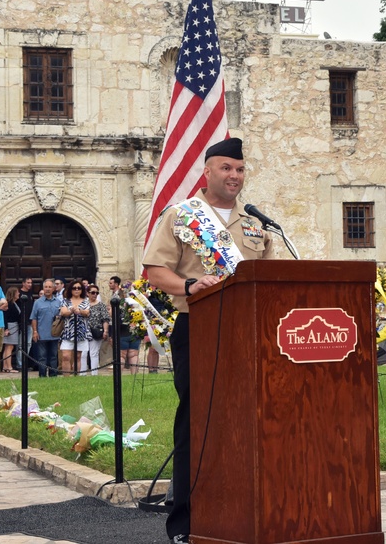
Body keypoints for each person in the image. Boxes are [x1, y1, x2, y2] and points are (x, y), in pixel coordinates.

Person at [143, 137, 273, 544]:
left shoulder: (256, 223)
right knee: (198, 423)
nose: (233, 176)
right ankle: (186, 522)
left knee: (251, 422)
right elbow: (153, 271)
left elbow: (269, 278)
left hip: (250, 333)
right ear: (208, 170)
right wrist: (189, 284)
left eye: (239, 169)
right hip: (198, 329)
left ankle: (243, 512)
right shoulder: (182, 216)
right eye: (225, 168)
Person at [30, 278, 62, 377]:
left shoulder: (58, 302)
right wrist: (35, 331)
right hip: (42, 334)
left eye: (49, 287)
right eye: (45, 287)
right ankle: (42, 375)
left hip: (54, 334)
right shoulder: (37, 302)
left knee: (53, 356)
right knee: (42, 357)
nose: (47, 289)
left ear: (53, 289)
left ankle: (53, 375)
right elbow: (34, 318)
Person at [59, 281, 91, 375]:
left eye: (79, 288)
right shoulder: (65, 301)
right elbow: (63, 312)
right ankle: (66, 377)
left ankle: (76, 376)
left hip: (81, 331)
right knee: (66, 356)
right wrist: (72, 311)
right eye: (74, 288)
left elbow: (87, 312)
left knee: (78, 356)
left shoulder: (86, 300)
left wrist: (79, 311)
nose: (76, 290)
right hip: (69, 331)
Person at [110, 276, 140, 373]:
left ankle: (119, 376)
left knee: (121, 354)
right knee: (134, 354)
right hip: (135, 327)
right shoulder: (138, 299)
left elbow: (112, 313)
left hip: (122, 329)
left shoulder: (117, 298)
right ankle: (134, 375)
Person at [86, 284, 111, 375]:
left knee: (94, 352)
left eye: (96, 293)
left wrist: (105, 331)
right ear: (87, 293)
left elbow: (105, 319)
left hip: (96, 331)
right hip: (84, 331)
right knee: (84, 353)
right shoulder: (84, 304)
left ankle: (94, 373)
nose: (95, 294)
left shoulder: (101, 305)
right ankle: (82, 373)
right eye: (92, 293)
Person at [1, 286, 22, 373]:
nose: (19, 294)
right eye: (17, 292)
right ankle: (9, 367)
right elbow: (5, 317)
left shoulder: (15, 303)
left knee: (8, 347)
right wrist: (6, 328)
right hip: (10, 326)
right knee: (9, 347)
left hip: (14, 326)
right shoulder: (9, 304)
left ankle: (5, 366)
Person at [17, 277, 36, 370]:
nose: (30, 285)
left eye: (31, 283)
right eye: (28, 282)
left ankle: (25, 363)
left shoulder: (30, 294)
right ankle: (20, 364)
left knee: (28, 343)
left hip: (30, 322)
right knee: (20, 344)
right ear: (23, 283)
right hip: (21, 323)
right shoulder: (19, 294)